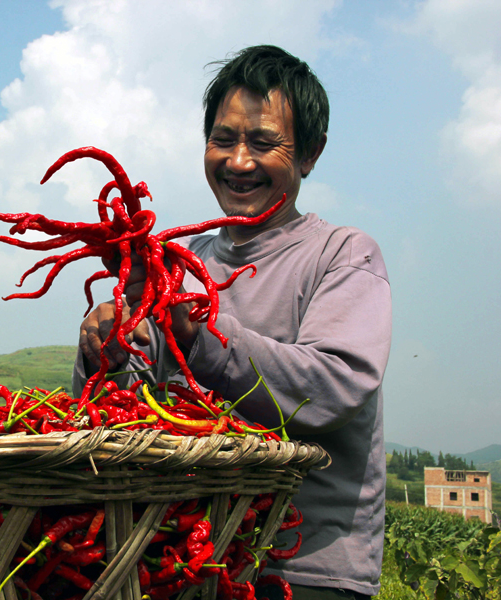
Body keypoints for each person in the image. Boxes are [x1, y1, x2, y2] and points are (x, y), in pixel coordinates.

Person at [73, 45, 391, 600]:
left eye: (264, 143)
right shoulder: (178, 266)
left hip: (301, 569)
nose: (239, 162)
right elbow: (123, 409)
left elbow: (336, 387)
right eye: (223, 139)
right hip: (182, 557)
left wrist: (200, 334)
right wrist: (105, 352)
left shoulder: (345, 255)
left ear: (310, 153)